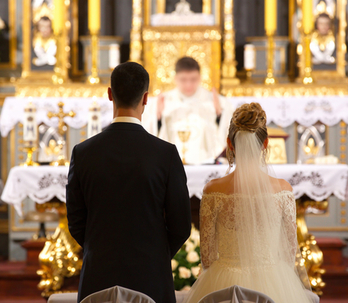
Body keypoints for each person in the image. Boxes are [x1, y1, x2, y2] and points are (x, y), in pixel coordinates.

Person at [66, 62, 192, 303]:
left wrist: (101, 247)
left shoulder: (83, 152)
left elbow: (76, 221)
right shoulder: (165, 154)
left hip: (98, 274)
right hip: (151, 277)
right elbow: (181, 225)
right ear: (146, 98)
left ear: (110, 94)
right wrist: (155, 253)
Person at [184, 103, 319, 303]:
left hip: (224, 283)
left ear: (230, 144)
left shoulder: (213, 190)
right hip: (274, 282)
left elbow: (208, 257)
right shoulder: (283, 190)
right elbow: (290, 253)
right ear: (265, 144)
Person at [157, 57, 234, 165]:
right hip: (171, 163)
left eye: (193, 79)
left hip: (205, 161)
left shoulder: (214, 100)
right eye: (183, 79)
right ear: (175, 78)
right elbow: (152, 133)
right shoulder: (165, 100)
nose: (188, 85)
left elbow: (226, 134)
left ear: (200, 77)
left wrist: (219, 116)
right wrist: (158, 119)